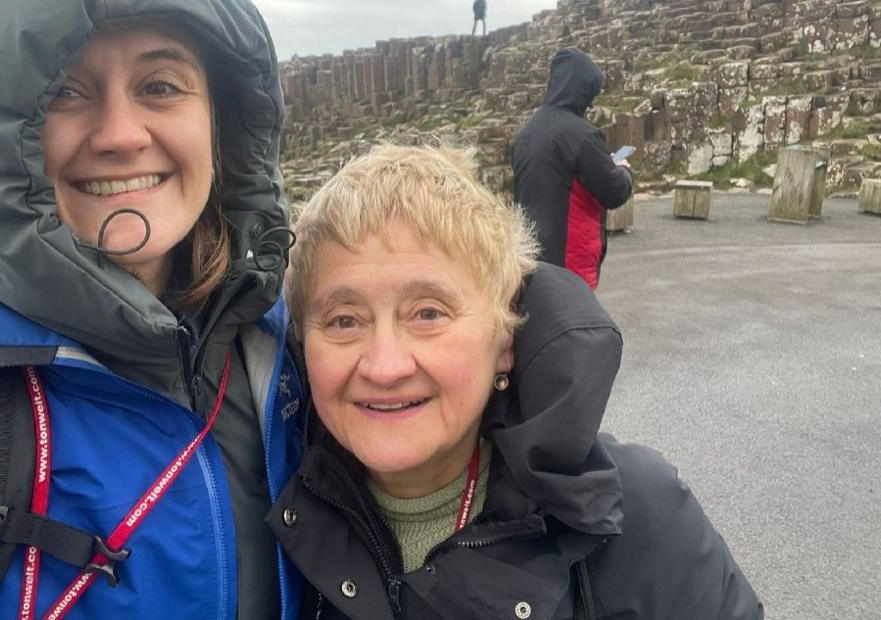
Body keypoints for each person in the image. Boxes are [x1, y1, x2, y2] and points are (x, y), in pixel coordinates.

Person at [0, 1, 303, 618]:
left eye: (160, 86)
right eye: (65, 91)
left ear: (220, 119)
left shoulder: (294, 352)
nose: (122, 135)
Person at [268, 144, 763, 619]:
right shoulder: (261, 519)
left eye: (427, 313)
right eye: (344, 321)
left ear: (505, 340)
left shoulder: (636, 517)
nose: (384, 365)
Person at [512, 48, 633, 290]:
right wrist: (623, 169)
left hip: (528, 253)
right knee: (572, 322)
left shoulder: (526, 132)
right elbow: (613, 191)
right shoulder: (582, 135)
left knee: (539, 317)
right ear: (583, 89)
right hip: (569, 259)